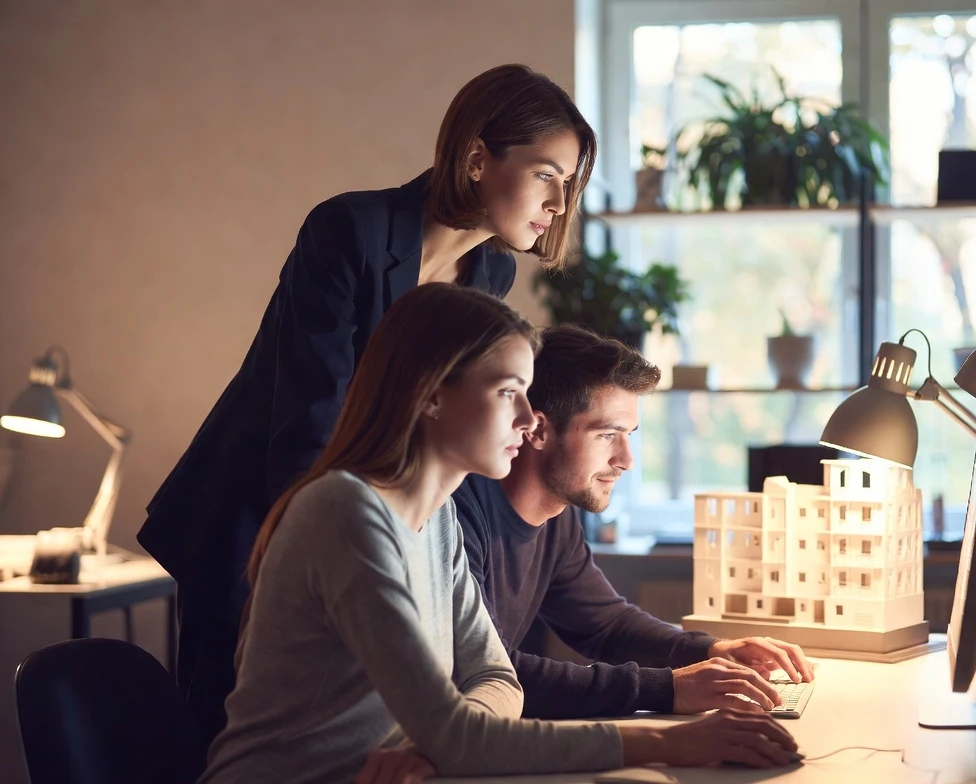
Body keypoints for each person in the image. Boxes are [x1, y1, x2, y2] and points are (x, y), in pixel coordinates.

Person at [137, 63, 599, 752]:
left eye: (570, 185)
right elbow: (309, 418)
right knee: (232, 736)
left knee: (363, 733)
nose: (560, 204)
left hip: (366, 520)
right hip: (256, 514)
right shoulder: (350, 229)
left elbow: (439, 423)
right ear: (477, 157)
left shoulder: (490, 273)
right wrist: (323, 542)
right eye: (546, 176)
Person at [199, 283, 800, 783]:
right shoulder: (345, 514)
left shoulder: (432, 518)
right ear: (432, 395)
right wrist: (670, 741)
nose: (525, 419)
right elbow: (461, 729)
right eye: (510, 393)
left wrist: (435, 747)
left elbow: (495, 679)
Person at [453, 325, 816, 719]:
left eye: (629, 435)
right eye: (608, 434)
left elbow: (606, 625)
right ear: (538, 430)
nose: (626, 460)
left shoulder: (557, 516)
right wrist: (667, 689)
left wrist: (712, 649)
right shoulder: (459, 514)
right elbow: (493, 675)